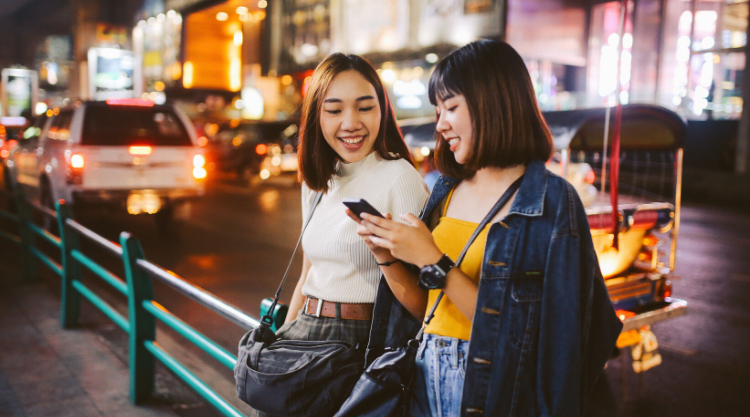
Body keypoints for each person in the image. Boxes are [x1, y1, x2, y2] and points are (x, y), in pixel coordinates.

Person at [349, 40, 623, 417]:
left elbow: (539, 339)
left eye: (451, 108)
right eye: (438, 110)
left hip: (494, 390)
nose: (441, 124)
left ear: (492, 103)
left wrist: (434, 260)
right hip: (425, 376)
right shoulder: (446, 188)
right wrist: (388, 257)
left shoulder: (552, 203)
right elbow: (425, 311)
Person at [253, 53, 429, 416]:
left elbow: (424, 306)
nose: (351, 123)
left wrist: (387, 255)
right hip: (304, 332)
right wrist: (283, 342)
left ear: (383, 110)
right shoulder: (320, 180)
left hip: (358, 346)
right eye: (334, 110)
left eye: (365, 107)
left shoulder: (400, 178)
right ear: (316, 116)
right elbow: (307, 273)